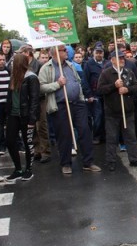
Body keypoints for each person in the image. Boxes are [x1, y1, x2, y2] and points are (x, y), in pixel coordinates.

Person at [38, 45, 101, 174]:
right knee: (64, 135)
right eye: (63, 50)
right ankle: (66, 163)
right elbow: (41, 87)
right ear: (55, 52)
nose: (67, 52)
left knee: (84, 130)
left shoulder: (70, 65)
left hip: (78, 103)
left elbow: (77, 81)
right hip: (60, 105)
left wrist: (81, 96)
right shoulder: (46, 68)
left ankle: (88, 162)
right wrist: (57, 84)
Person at [96, 50, 137, 171]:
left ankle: (134, 159)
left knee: (131, 137)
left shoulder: (129, 72)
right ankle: (111, 161)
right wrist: (114, 85)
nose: (122, 60)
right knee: (112, 138)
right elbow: (100, 90)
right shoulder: (106, 73)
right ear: (112, 60)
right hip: (112, 112)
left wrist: (127, 89)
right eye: (119, 58)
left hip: (128, 111)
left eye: (123, 58)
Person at [4, 54, 40, 181]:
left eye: (14, 62)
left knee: (28, 142)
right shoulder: (13, 77)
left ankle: (29, 170)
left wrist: (32, 119)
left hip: (26, 115)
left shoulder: (31, 77)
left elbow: (35, 100)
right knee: (9, 141)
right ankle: (18, 169)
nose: (11, 64)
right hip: (13, 115)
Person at [83, 46, 108, 145]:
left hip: (106, 94)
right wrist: (89, 95)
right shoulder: (88, 64)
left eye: (100, 52)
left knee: (107, 117)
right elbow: (85, 81)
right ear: (93, 53)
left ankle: (105, 136)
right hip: (95, 95)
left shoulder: (107, 63)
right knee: (98, 117)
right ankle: (96, 136)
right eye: (97, 52)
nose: (99, 54)